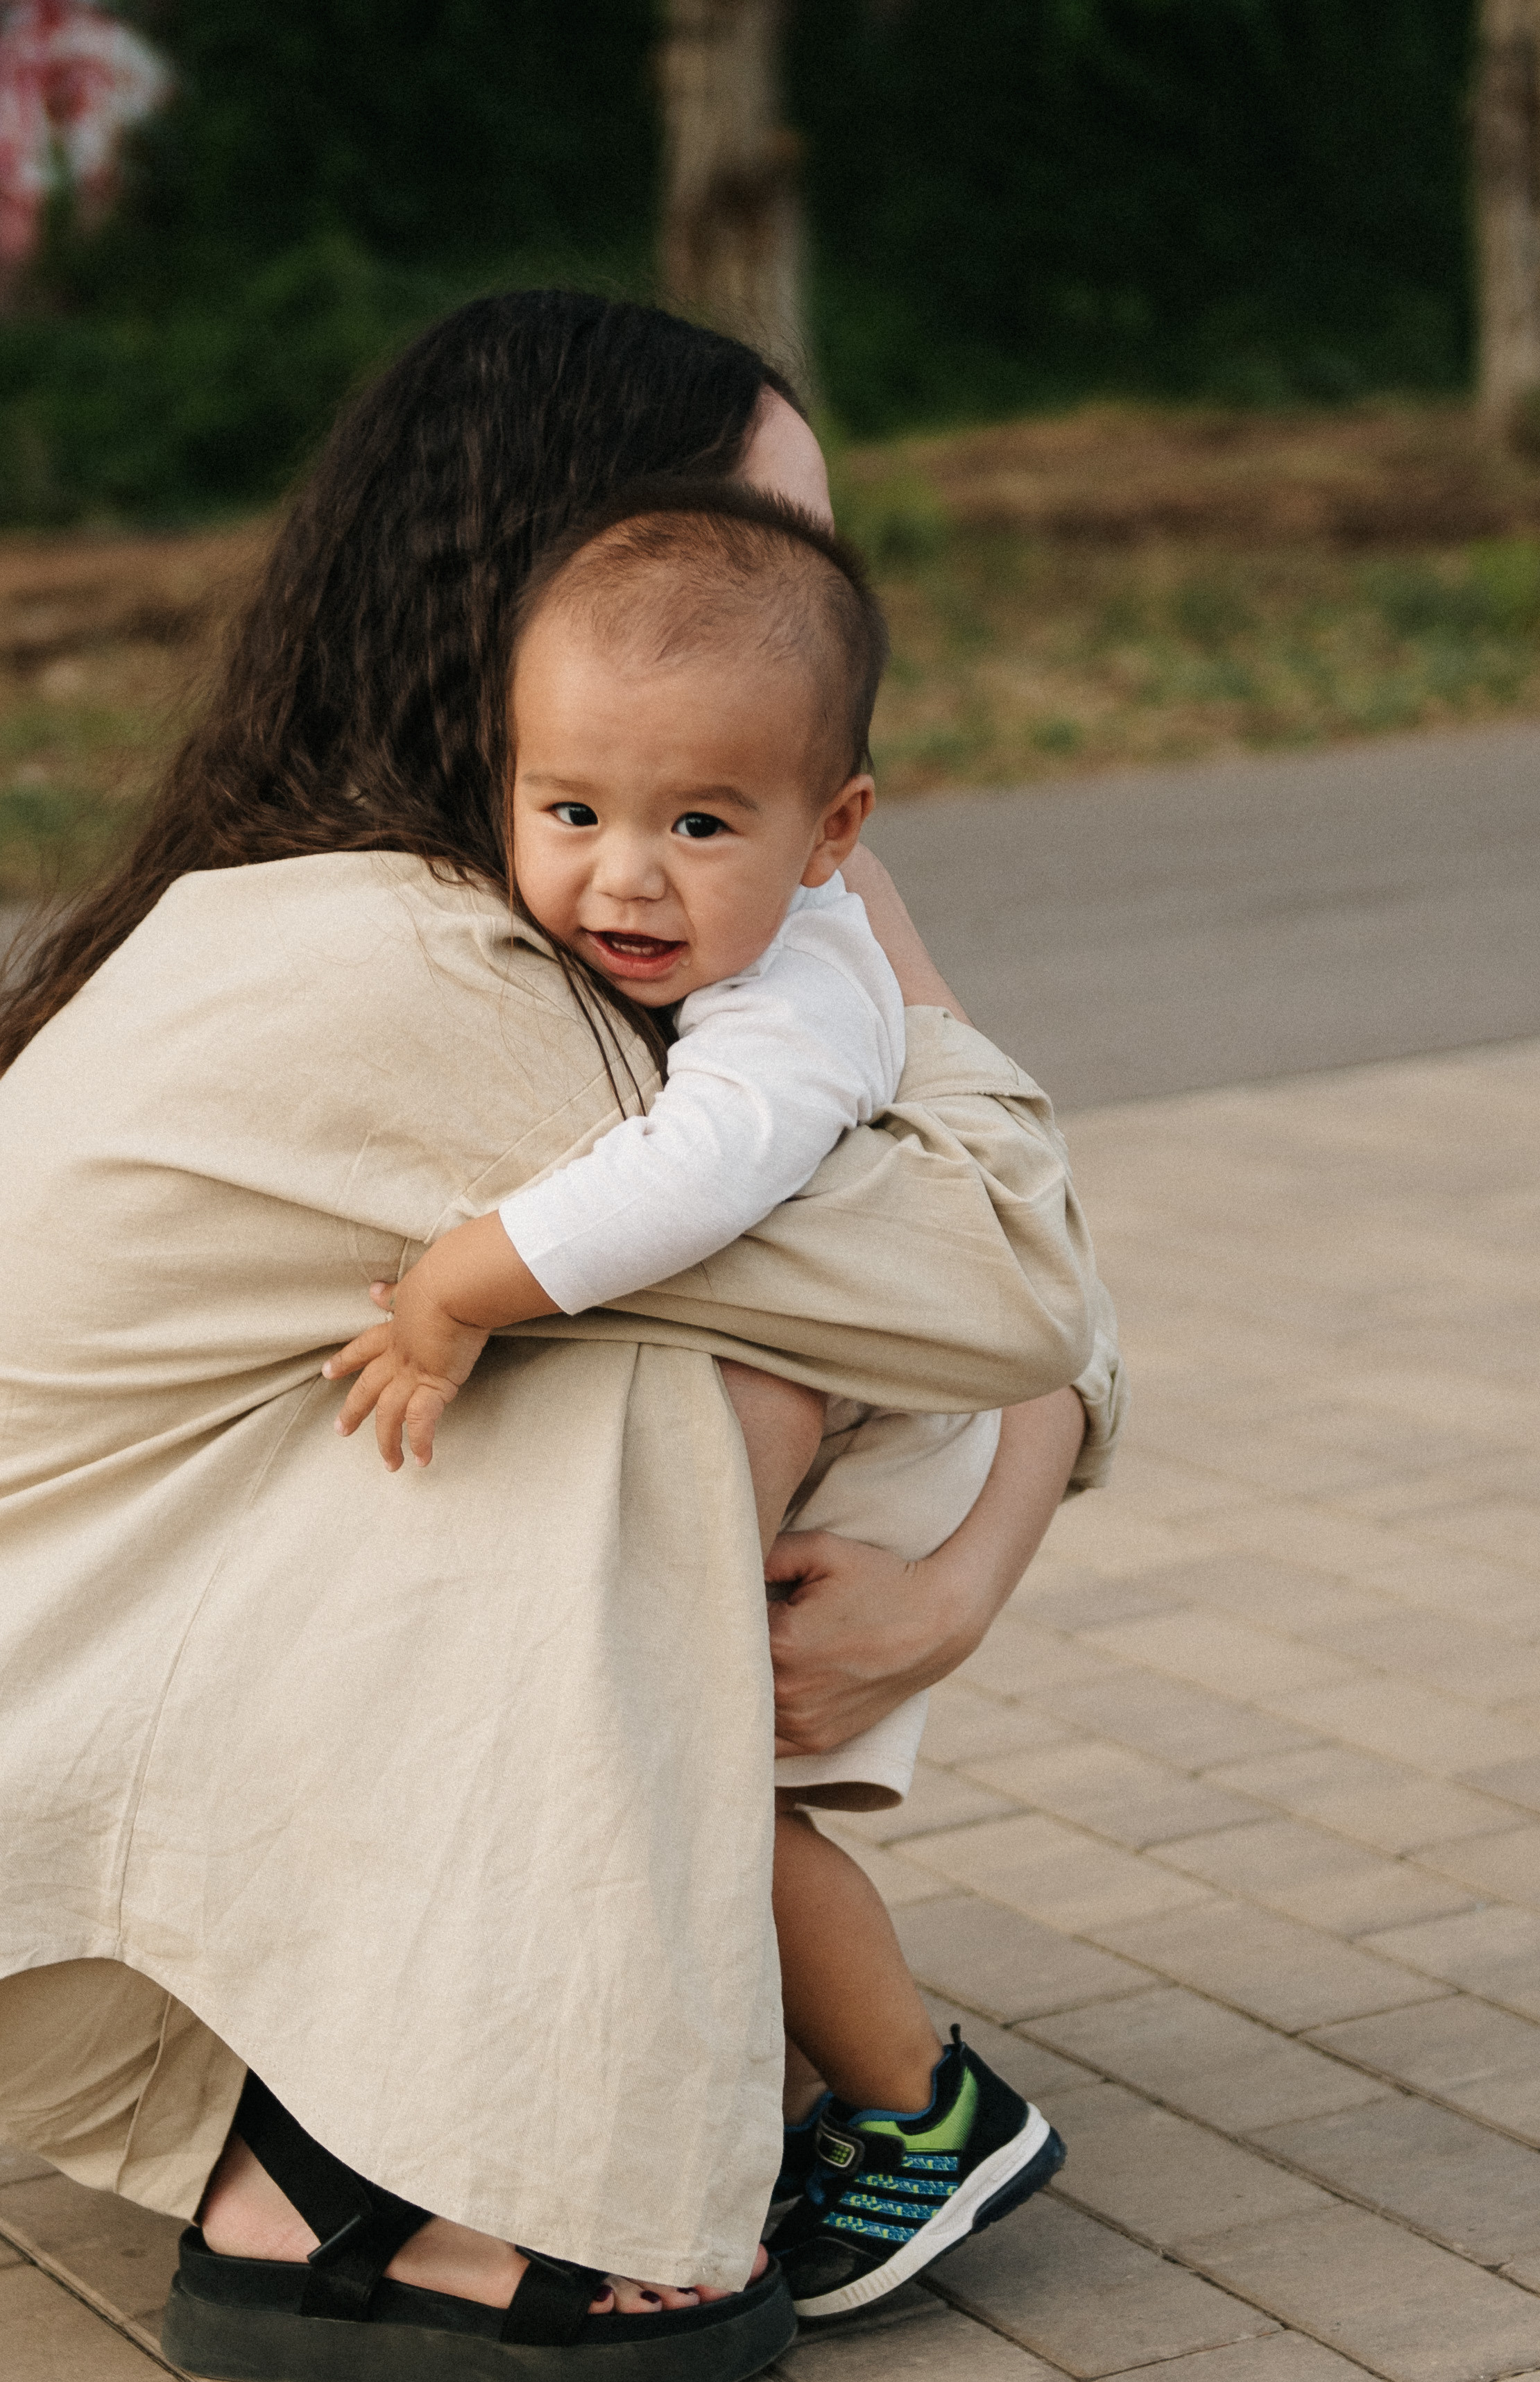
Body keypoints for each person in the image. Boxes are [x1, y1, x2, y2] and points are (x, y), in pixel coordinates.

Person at [0, 292, 1124, 2382]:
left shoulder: (403, 894)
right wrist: (887, 951)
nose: (814, 603)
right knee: (656, 1373)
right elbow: (1004, 1277)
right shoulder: (427, 979)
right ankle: (367, 2170)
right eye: (763, 543)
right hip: (53, 1818)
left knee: (667, 1317)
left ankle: (449, 2074)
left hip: (72, 1744)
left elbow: (1018, 1320)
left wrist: (962, 1575)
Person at [323, 482, 1071, 2317]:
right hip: (833, 1405)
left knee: (704, 1795)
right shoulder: (710, 927)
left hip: (882, 1432)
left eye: (700, 824)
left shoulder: (797, 995)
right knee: (681, 1785)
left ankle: (925, 2109)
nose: (626, 877)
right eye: (571, 812)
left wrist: (460, 1283)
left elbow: (700, 1171)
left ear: (832, 836)